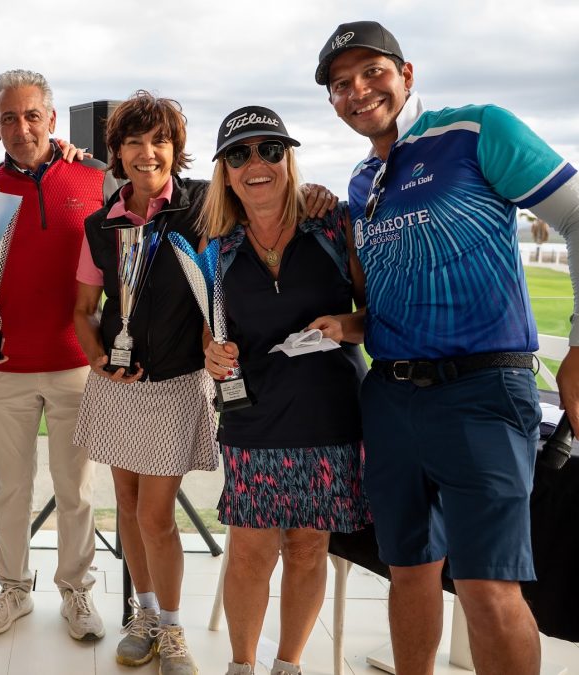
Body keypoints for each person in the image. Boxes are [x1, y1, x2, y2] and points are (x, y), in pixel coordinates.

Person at [316, 20, 579, 675]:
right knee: (409, 573)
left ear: (407, 75)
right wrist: (349, 325)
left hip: (483, 389)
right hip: (391, 394)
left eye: (372, 71)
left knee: (489, 587)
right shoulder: (360, 183)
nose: (358, 90)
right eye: (341, 84)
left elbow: (577, 215)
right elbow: (388, 295)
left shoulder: (477, 130)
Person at [199, 106, 371, 675]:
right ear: (225, 172)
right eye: (240, 154)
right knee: (250, 552)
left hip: (329, 416)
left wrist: (347, 325)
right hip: (254, 418)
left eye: (270, 149)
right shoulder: (215, 249)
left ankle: (288, 664)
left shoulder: (334, 225)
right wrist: (211, 351)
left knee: (306, 549)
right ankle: (242, 665)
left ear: (288, 159)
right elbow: (212, 329)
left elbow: (381, 315)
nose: (257, 163)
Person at [0, 69, 117, 640]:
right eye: (8, 118)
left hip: (77, 363)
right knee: (11, 488)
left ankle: (76, 592)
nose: (22, 127)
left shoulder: (96, 177)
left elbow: (120, 265)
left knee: (76, 490)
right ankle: (14, 589)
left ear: (51, 116)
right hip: (8, 368)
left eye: (32, 115)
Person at [72, 91, 214, 675]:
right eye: (134, 141)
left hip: (178, 383)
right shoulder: (99, 224)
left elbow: (216, 296)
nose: (146, 152)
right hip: (117, 385)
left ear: (175, 150)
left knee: (157, 515)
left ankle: (174, 629)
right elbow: (83, 308)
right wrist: (98, 358)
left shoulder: (204, 207)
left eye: (159, 140)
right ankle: (146, 612)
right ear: (118, 151)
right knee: (126, 507)